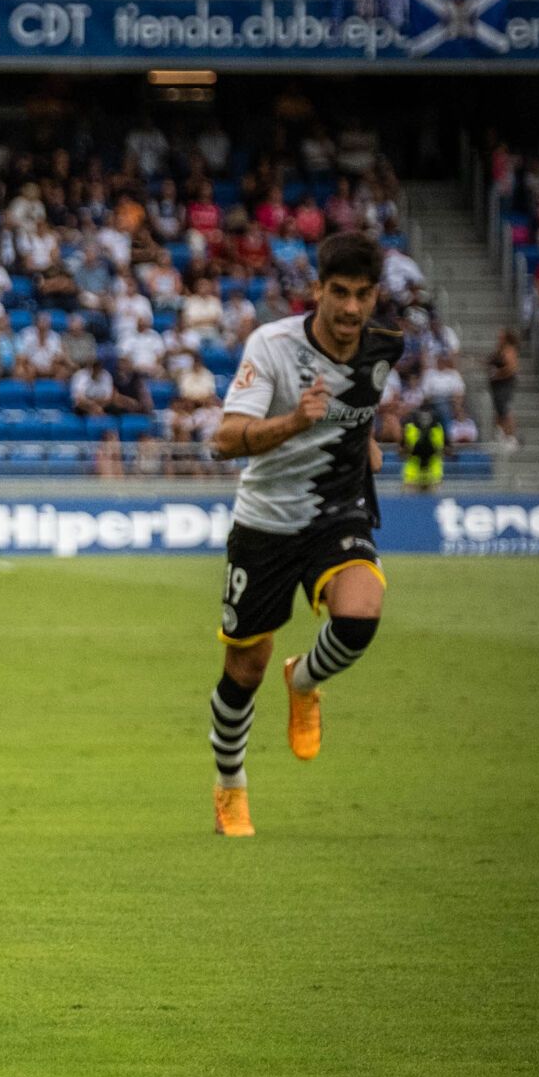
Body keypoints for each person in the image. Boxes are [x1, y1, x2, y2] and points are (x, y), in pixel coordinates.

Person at [205, 233, 400, 838]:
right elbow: (222, 439)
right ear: (316, 290)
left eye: (362, 295)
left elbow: (358, 406)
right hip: (265, 519)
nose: (349, 308)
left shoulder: (385, 347)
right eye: (338, 293)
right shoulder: (273, 345)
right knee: (244, 668)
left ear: (375, 297)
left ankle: (304, 680)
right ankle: (230, 787)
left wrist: (364, 443)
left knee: (361, 612)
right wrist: (293, 421)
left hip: (336, 512)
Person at [488, 329, 520, 448]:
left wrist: (498, 373)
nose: (498, 339)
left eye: (501, 337)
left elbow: (511, 369)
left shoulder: (509, 350)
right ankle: (500, 434)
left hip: (505, 384)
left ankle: (511, 436)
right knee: (498, 409)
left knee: (506, 409)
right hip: (496, 385)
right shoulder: (499, 350)